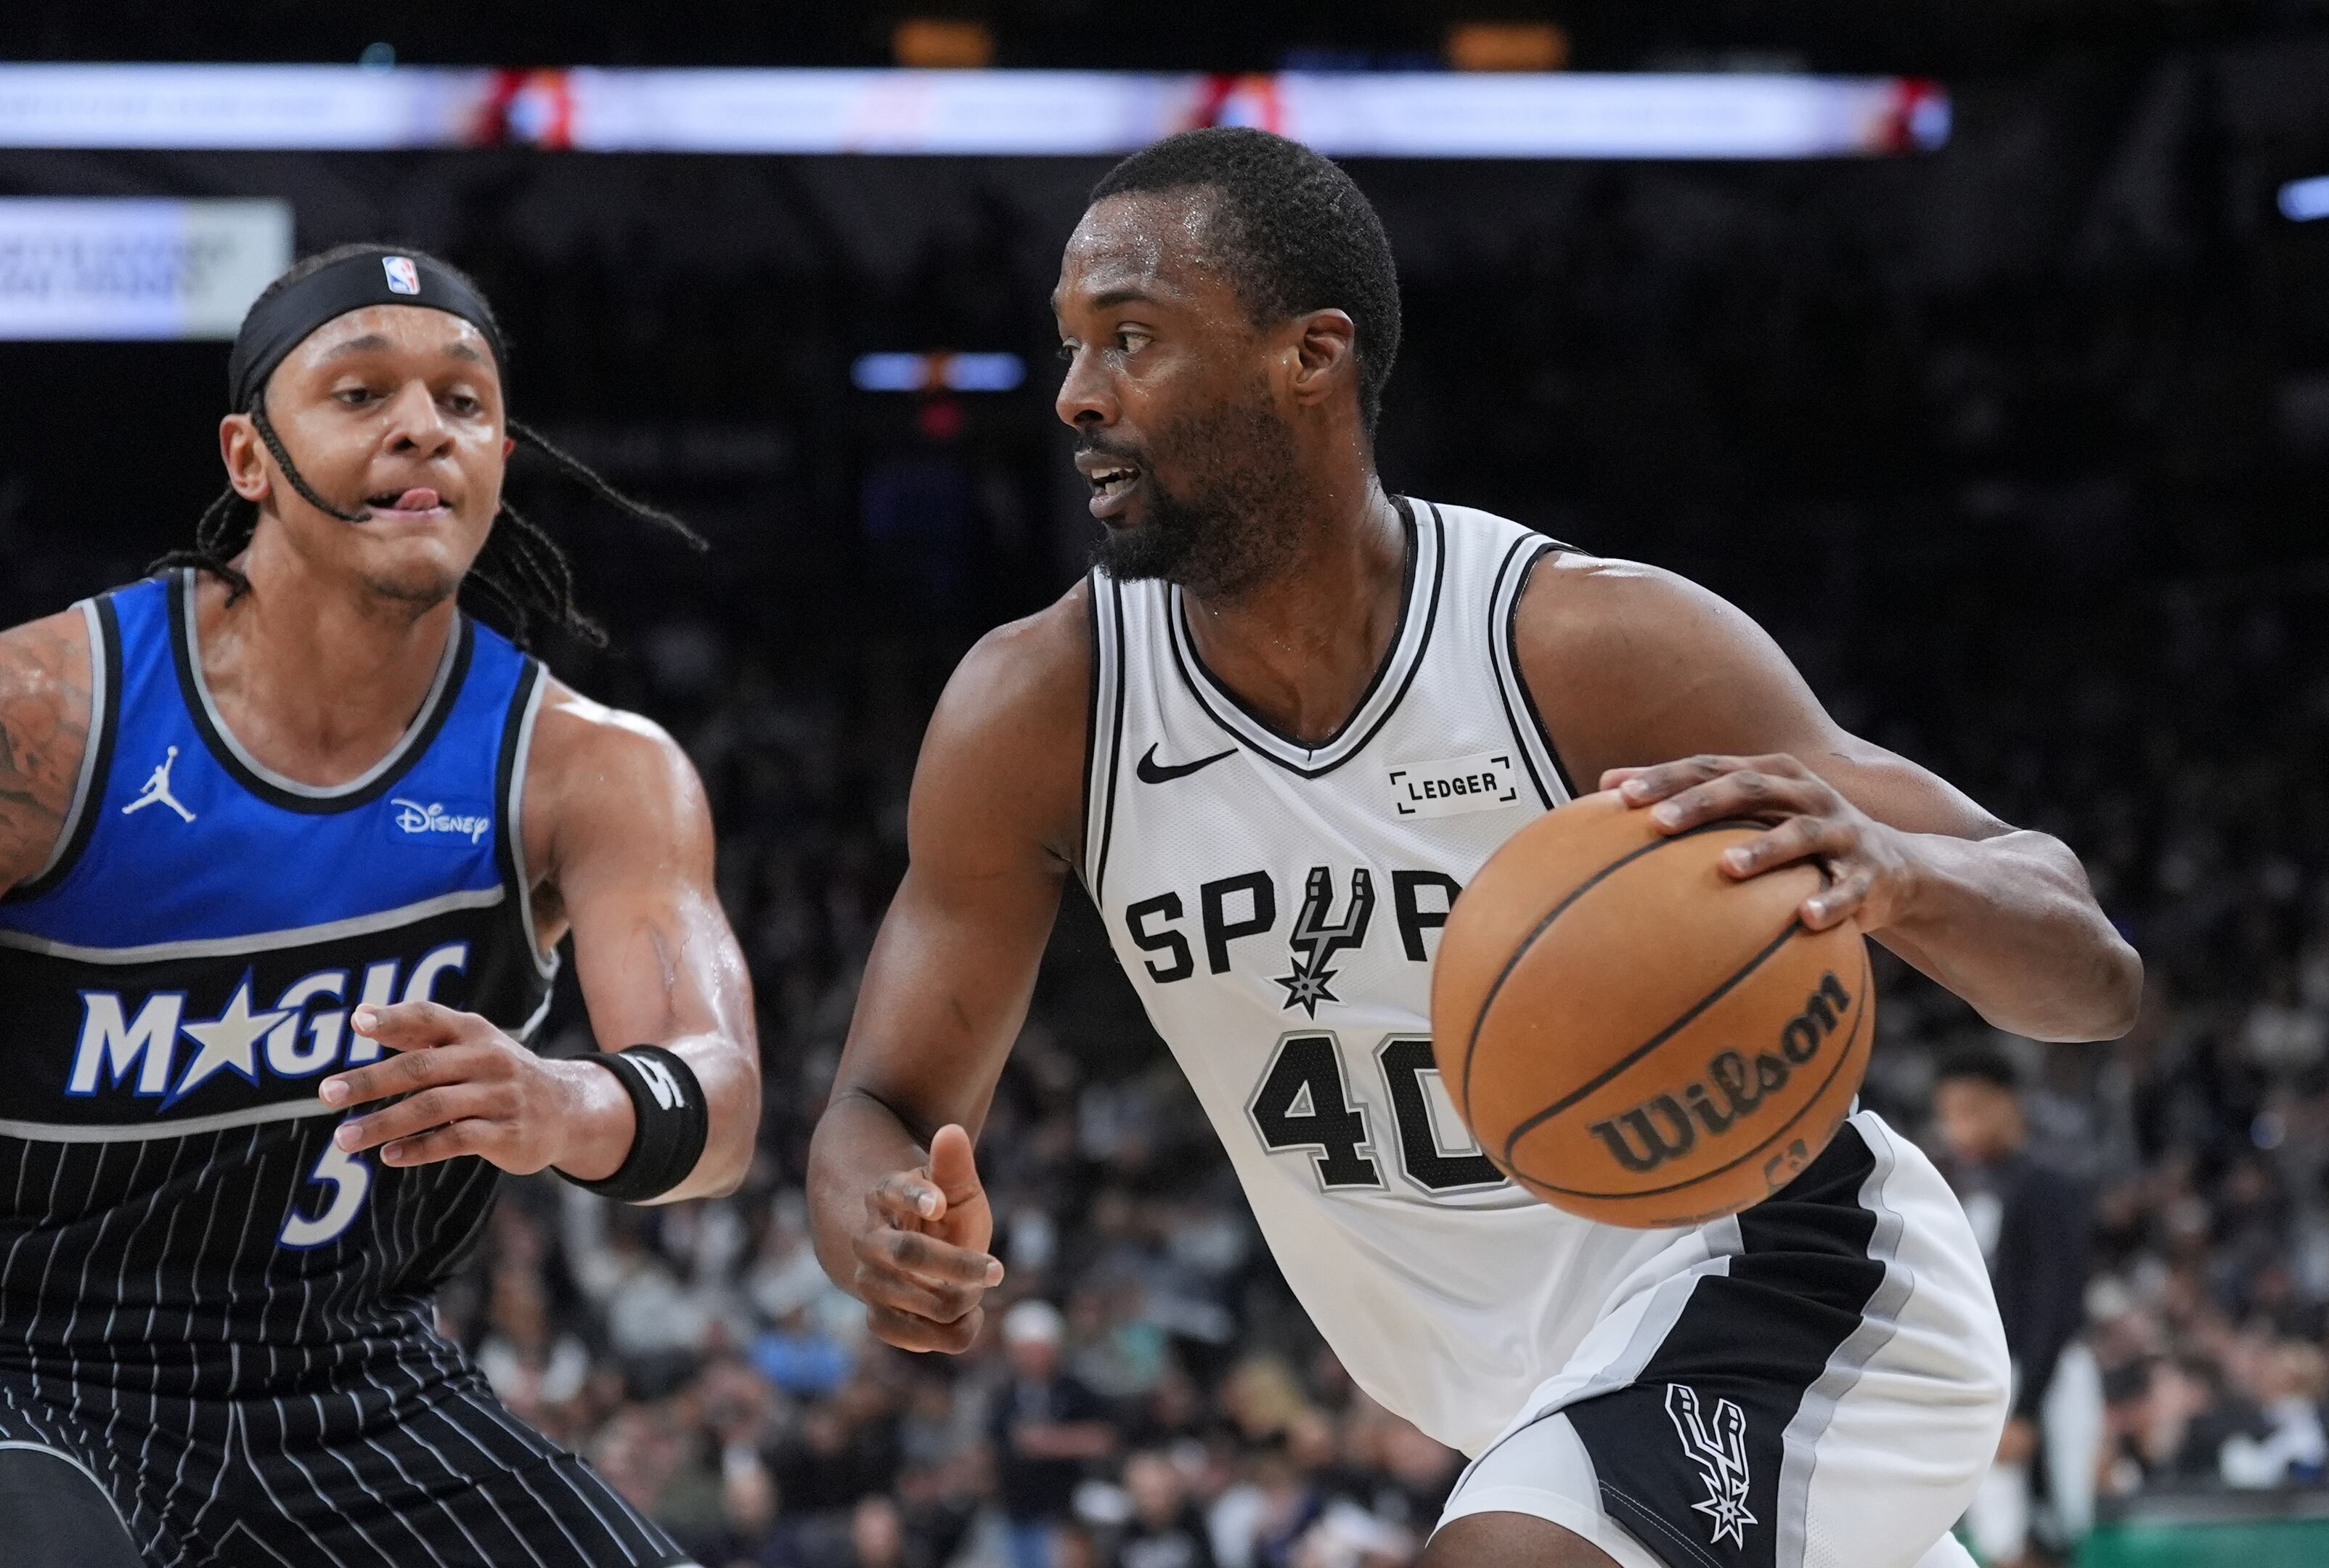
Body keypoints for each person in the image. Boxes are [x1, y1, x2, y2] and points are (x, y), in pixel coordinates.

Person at [807, 127, 2144, 1568]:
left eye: (1131, 339)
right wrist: (881, 1227)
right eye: (1071, 345)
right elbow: (876, 1106)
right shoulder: (1039, 713)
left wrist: (1907, 876)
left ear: (1308, 357)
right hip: (1523, 1391)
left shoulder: (1579, 649)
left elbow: (2092, 972)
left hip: (1796, 1279)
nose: (1076, 396)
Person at [0, 245, 760, 1567]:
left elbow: (716, 1092)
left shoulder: (591, 770)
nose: (421, 426)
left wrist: (574, 1102)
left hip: (346, 1383)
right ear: (248, 458)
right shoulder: (29, 719)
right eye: (362, 391)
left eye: (465, 400)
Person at [1930, 1050, 2100, 1564]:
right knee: (2000, 1539)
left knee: (2042, 1540)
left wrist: (2028, 1411)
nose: (1961, 1125)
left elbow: (2058, 1301)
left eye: (1973, 1108)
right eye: (1951, 1112)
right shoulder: (1950, 1190)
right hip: (1986, 1379)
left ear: (2009, 1104)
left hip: (2042, 1378)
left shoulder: (2046, 1186)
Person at [990, 1302, 1115, 1568]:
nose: (1033, 1358)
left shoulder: (1075, 1391)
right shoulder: (1003, 1398)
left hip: (1068, 1513)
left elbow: (1104, 1437)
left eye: (1040, 1350)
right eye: (1025, 1351)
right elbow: (998, 1444)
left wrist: (1050, 1443)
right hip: (1018, 1513)